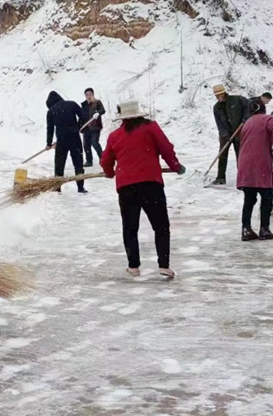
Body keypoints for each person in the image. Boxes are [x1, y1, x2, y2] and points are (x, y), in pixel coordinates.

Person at [101, 101, 185, 278]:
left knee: (130, 227)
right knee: (161, 226)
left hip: (126, 188)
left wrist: (109, 173)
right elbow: (166, 149)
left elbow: (106, 160)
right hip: (151, 184)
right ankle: (163, 265)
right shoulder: (151, 128)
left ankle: (133, 266)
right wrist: (176, 166)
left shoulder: (115, 136)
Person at [236, 99, 273, 241]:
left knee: (249, 198)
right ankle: (264, 229)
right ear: (263, 109)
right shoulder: (267, 120)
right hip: (261, 164)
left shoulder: (247, 123)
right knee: (267, 197)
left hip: (245, 164)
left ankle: (246, 229)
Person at [46, 91, 88, 193]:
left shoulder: (51, 111)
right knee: (78, 163)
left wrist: (49, 143)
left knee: (59, 165)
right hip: (75, 138)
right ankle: (80, 187)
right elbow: (84, 116)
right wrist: (78, 127)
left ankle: (57, 188)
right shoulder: (72, 104)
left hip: (62, 140)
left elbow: (50, 129)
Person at [212, 84, 251, 185]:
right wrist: (224, 134)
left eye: (220, 94)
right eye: (216, 95)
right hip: (225, 134)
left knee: (240, 155)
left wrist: (245, 119)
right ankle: (221, 177)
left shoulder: (237, 100)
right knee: (222, 155)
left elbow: (249, 107)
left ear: (224, 93)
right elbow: (219, 124)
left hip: (239, 132)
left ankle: (243, 178)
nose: (218, 97)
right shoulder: (216, 108)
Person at [80, 88, 106, 167]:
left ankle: (102, 158)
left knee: (94, 142)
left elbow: (103, 110)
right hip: (86, 128)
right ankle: (89, 161)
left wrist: (98, 113)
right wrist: (79, 125)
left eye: (90, 94)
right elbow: (81, 116)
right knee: (86, 145)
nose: (88, 96)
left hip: (95, 127)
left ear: (93, 94)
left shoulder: (97, 102)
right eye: (87, 95)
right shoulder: (83, 105)